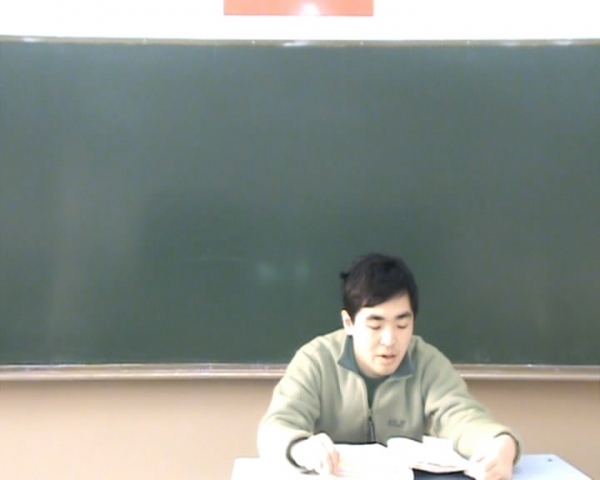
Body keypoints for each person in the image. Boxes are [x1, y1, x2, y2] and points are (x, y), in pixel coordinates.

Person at [257, 253, 521, 480]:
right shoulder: (316, 360)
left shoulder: (426, 362)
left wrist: (500, 443)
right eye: (375, 325)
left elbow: (461, 417)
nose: (390, 340)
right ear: (349, 323)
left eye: (402, 325)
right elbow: (275, 429)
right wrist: (300, 447)